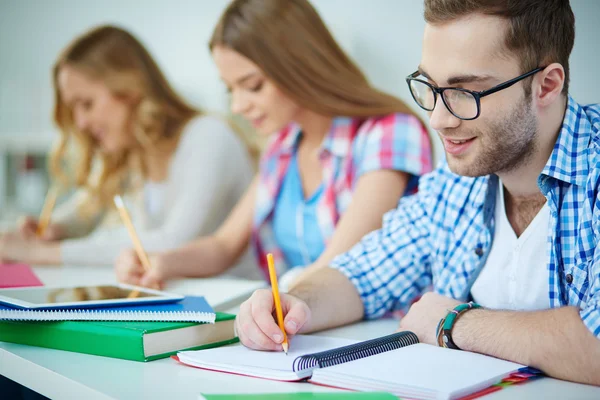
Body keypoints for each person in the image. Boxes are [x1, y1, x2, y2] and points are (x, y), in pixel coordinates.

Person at [233, 0, 600, 386]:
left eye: (466, 92)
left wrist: (457, 323)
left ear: (547, 85)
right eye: (430, 87)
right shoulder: (457, 180)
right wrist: (294, 303)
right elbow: (363, 275)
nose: (438, 119)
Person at [114, 0, 432, 288]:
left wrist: (276, 300)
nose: (237, 106)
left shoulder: (390, 133)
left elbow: (337, 266)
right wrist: (161, 261)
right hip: (303, 323)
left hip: (379, 333)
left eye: (252, 86)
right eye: (230, 90)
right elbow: (223, 246)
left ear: (299, 65)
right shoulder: (282, 146)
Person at [0, 25, 255, 268]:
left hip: (235, 304)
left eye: (87, 104)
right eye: (73, 109)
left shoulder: (208, 136)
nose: (80, 122)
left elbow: (174, 242)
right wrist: (54, 228)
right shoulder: (133, 150)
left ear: (129, 89)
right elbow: (86, 209)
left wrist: (42, 253)